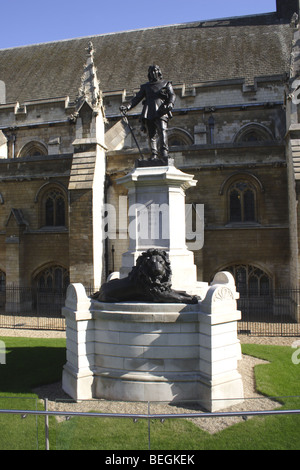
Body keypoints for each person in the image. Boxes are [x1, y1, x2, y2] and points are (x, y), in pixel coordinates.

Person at [120, 65, 176, 162]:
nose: (153, 73)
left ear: (159, 72)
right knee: (151, 135)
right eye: (151, 72)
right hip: (149, 111)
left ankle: (164, 153)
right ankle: (154, 154)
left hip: (161, 110)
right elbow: (136, 99)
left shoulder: (166, 83)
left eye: (155, 71)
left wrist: (170, 103)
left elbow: (172, 95)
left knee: (162, 131)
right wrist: (127, 107)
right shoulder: (146, 87)